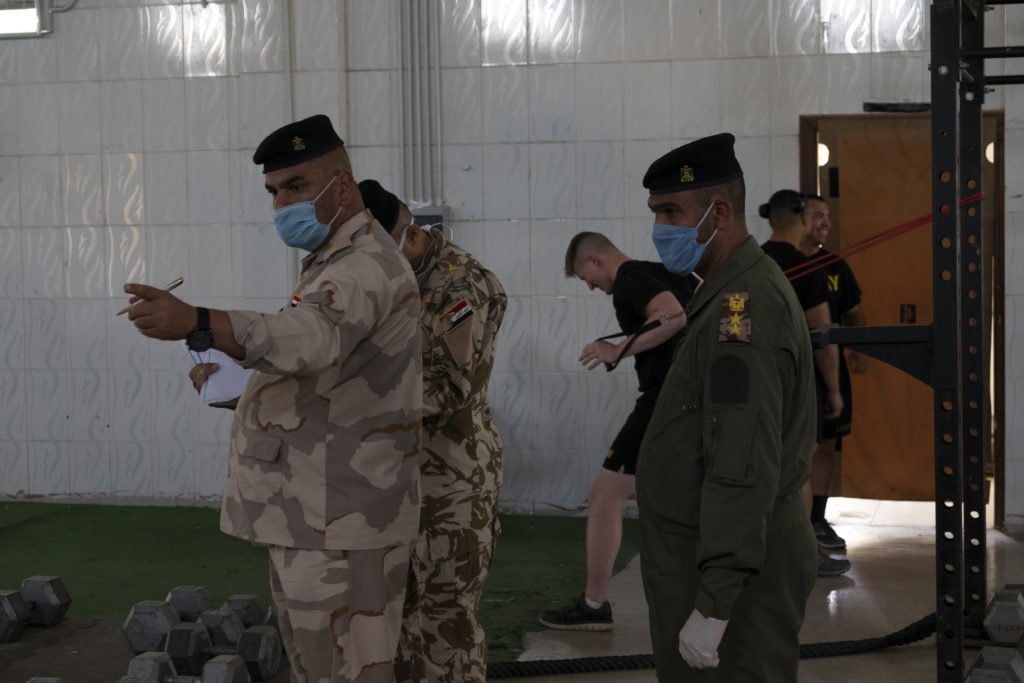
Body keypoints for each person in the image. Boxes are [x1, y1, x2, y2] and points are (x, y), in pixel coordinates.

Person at [125, 115, 422, 683]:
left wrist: (199, 320)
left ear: (342, 185)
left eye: (296, 186)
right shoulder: (332, 262)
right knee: (317, 665)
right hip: (317, 512)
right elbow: (329, 376)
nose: (282, 204)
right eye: (273, 191)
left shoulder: (361, 266)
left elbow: (311, 339)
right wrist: (240, 384)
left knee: (346, 669)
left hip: (341, 520)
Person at [636, 133, 818, 680]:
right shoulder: (726, 290)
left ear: (718, 213)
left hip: (736, 573)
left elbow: (740, 461)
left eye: (672, 211)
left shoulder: (740, 312)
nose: (660, 228)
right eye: (655, 212)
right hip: (725, 557)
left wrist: (715, 604)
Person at [358, 180, 507, 683]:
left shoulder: (458, 285)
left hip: (451, 484)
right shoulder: (386, 280)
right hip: (395, 474)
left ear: (402, 237)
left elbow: (449, 387)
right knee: (395, 621)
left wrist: (348, 402)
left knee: (445, 628)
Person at [538, 232, 692, 631]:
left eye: (586, 277)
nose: (591, 286)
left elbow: (673, 316)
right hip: (695, 400)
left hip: (666, 402)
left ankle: (594, 605)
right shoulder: (662, 273)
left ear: (595, 261)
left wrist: (616, 349)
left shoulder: (630, 281)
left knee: (604, 494)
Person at [760, 189, 850, 577]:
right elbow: (823, 337)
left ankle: (763, 548)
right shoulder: (804, 267)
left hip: (754, 383)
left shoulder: (751, 263)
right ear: (800, 217)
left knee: (765, 467)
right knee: (797, 470)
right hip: (797, 385)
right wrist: (833, 390)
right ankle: (801, 554)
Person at [798, 194, 868, 555]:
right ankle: (791, 524)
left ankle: (816, 520)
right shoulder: (779, 263)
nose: (825, 222)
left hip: (831, 364)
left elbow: (855, 311)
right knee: (796, 446)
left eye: (828, 216)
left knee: (826, 444)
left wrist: (858, 349)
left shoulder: (834, 265)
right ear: (798, 220)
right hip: (791, 365)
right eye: (817, 215)